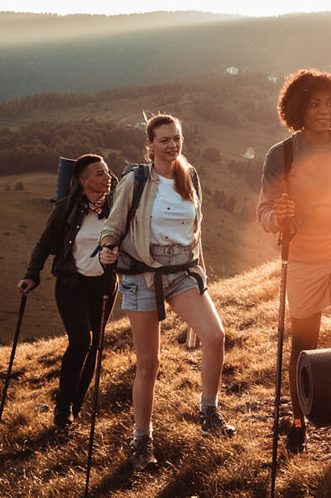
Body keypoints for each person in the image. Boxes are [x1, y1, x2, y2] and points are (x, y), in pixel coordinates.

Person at [98, 113, 234, 470]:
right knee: (148, 363)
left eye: (176, 138)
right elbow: (112, 226)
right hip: (142, 274)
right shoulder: (136, 180)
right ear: (150, 145)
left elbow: (196, 229)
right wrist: (108, 246)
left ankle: (209, 413)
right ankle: (141, 440)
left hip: (182, 272)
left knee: (215, 336)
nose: (172, 145)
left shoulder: (190, 177)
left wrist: (200, 271)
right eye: (164, 140)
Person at [257, 69, 331, 466]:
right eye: (314, 103)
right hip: (304, 256)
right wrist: (280, 215)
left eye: (330, 103)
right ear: (298, 108)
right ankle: (297, 421)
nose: (325, 111)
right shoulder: (283, 153)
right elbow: (265, 212)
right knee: (302, 345)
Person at [17, 153, 118, 429]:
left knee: (95, 345)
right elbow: (44, 243)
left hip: (103, 286)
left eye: (107, 172)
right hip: (71, 285)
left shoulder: (119, 207)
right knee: (81, 341)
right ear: (83, 181)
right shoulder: (66, 208)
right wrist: (31, 274)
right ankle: (62, 406)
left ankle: (75, 405)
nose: (107, 176)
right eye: (99, 173)